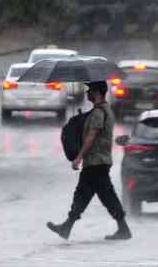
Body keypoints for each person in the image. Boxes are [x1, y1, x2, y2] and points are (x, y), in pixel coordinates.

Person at [47, 81, 132, 241]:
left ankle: (123, 229)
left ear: (97, 92)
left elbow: (91, 137)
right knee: (84, 194)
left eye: (90, 90)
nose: (87, 93)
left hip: (96, 162)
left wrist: (78, 157)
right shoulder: (104, 110)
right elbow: (102, 136)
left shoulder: (98, 113)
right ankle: (67, 226)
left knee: (105, 196)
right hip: (98, 161)